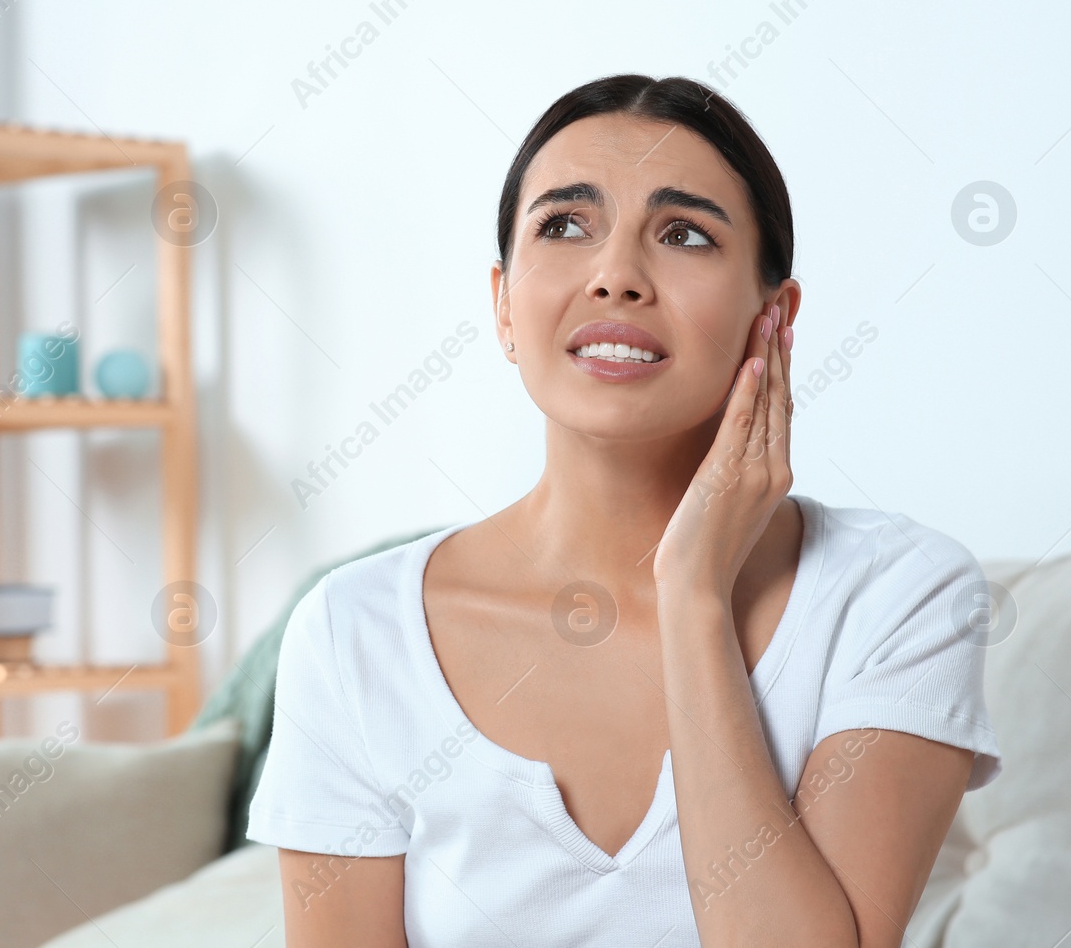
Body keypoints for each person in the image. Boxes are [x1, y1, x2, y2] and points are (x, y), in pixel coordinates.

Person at [246, 73, 1003, 947]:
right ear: (501, 305)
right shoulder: (355, 631)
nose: (616, 276)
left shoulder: (898, 593)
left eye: (684, 234)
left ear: (774, 318)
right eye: (565, 225)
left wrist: (692, 594)